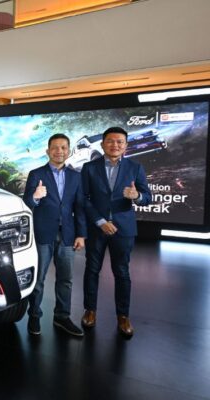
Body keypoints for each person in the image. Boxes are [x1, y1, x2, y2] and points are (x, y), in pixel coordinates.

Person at [80, 127, 151, 338]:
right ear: (103, 144)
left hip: (124, 229)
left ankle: (123, 316)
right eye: (110, 141)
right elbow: (84, 198)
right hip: (97, 228)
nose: (115, 145)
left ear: (126, 145)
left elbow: (147, 197)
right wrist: (100, 221)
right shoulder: (89, 168)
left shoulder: (135, 167)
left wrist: (137, 196)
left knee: (121, 272)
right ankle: (90, 310)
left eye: (120, 141)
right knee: (92, 270)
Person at [23, 133, 87, 337]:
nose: (59, 151)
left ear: (68, 151)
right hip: (42, 233)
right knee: (39, 279)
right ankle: (34, 315)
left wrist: (81, 235)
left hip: (67, 234)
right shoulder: (36, 174)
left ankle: (62, 316)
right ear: (48, 151)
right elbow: (27, 203)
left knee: (66, 279)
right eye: (55, 147)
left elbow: (80, 207)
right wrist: (35, 196)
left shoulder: (76, 176)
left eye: (63, 147)